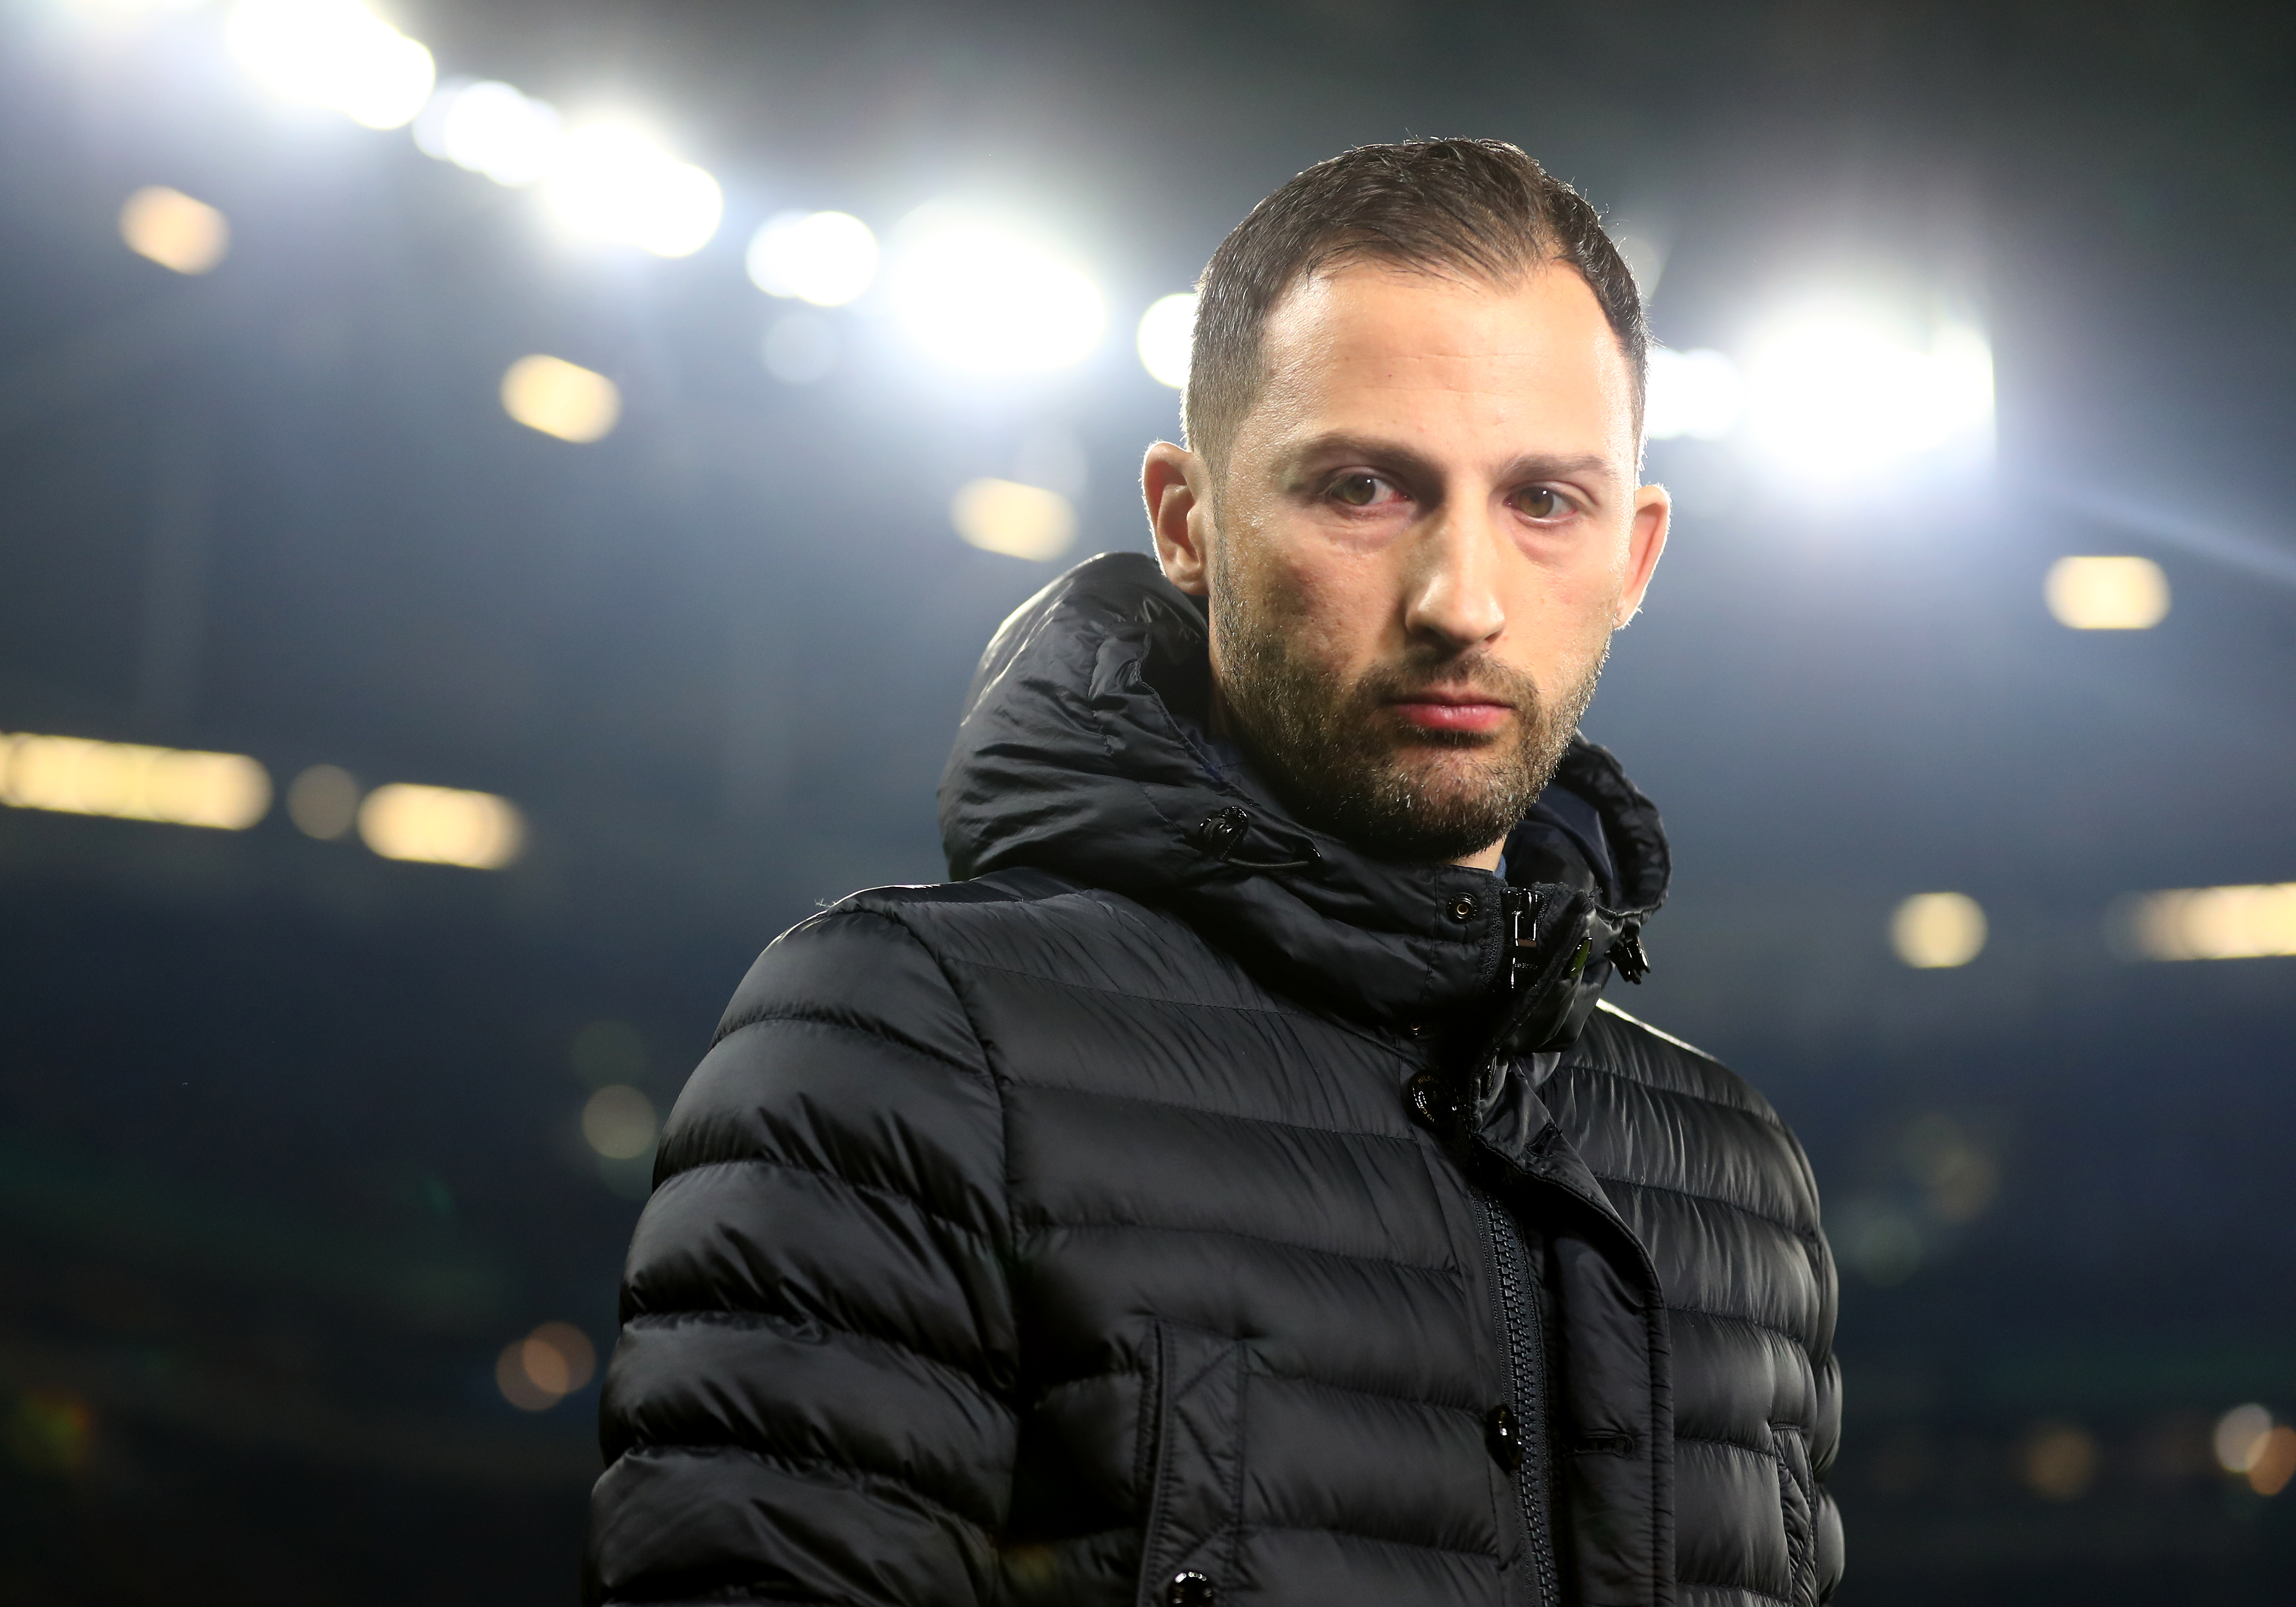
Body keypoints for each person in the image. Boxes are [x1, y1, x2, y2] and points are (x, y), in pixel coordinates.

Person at [589, 138, 1841, 1607]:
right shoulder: (903, 1043)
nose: (1463, 599)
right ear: (1187, 521)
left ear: (1635, 554)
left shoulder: (1737, 1179)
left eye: (1543, 502)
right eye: (1366, 487)